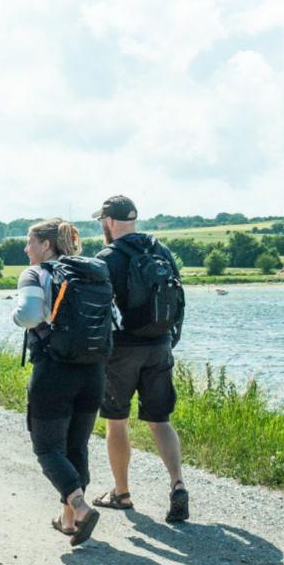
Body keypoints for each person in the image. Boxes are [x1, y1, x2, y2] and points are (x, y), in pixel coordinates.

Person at [12, 218, 115, 546]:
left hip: (55, 372)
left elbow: (28, 315)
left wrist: (17, 317)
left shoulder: (36, 273)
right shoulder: (93, 272)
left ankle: (81, 508)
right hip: (93, 371)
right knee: (76, 446)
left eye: (30, 242)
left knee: (47, 448)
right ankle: (68, 520)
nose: (27, 249)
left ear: (46, 245)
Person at [89, 195, 191, 523]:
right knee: (160, 420)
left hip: (122, 351)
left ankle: (121, 493)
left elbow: (98, 311)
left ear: (108, 221)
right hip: (160, 344)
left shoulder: (106, 258)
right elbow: (178, 298)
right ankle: (177, 484)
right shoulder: (161, 251)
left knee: (116, 421)